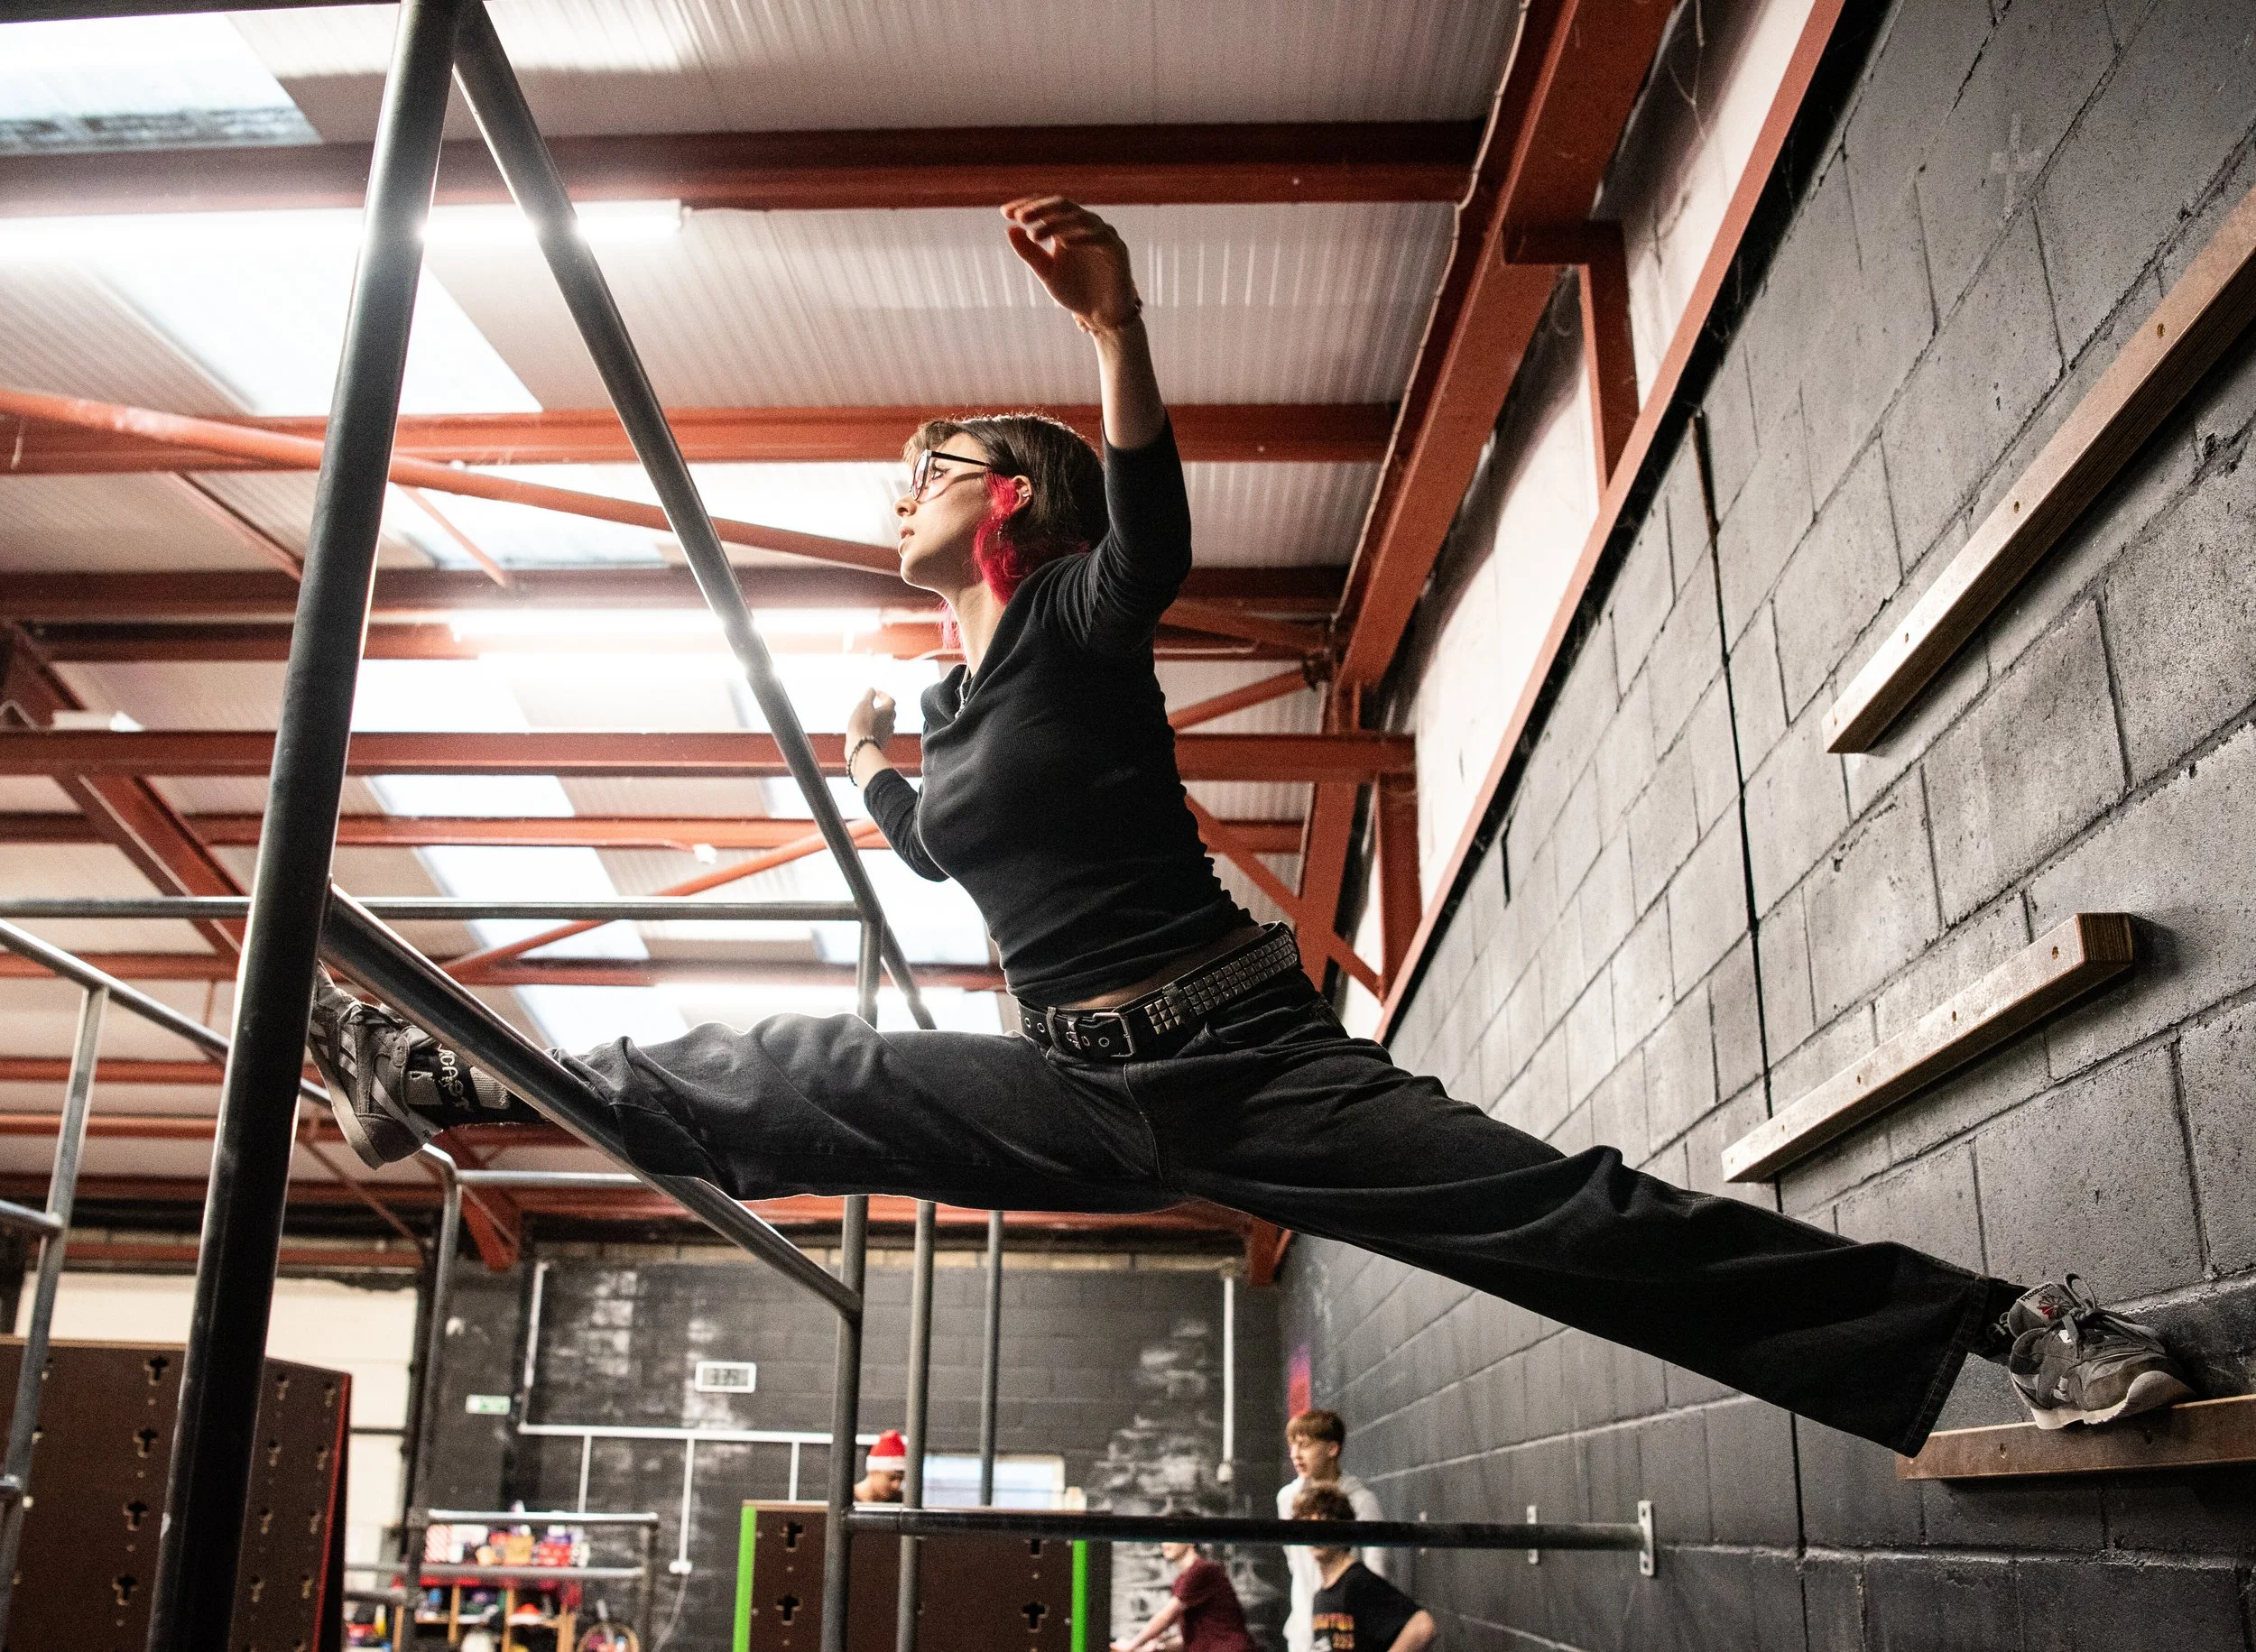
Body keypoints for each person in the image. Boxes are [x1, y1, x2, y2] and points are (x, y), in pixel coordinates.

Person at [305, 196, 2193, 1475]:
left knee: (1570, 1225)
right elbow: (960, 860)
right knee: (798, 1067)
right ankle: (440, 1076)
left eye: (926, 467)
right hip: (1070, 1077)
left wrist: (1119, 327)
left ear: (1010, 504)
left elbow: (1153, 534)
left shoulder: (1071, 615)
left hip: (1247, 1061)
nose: (897, 486)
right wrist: (884, 766)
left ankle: (2004, 1328)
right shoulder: (962, 721)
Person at [1276, 1411, 1382, 1652]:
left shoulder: (1362, 1502)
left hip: (1348, 1630)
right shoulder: (1287, 1499)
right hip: (1303, 1630)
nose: (1295, 1455)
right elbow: (1295, 1562)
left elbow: (1377, 1570)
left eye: (1305, 1446)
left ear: (1332, 1449)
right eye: (1292, 1445)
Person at [1293, 1487, 1432, 1652]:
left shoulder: (1357, 1582)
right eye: (1308, 1523)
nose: (1316, 1534)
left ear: (1342, 1528)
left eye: (1324, 1522)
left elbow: (1422, 1626)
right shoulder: (1321, 1596)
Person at [1110, 1539, 1256, 1652]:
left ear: (1191, 1539)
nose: (1164, 1544)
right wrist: (1160, 1646)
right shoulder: (1182, 1579)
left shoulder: (1202, 1570)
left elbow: (1166, 1617)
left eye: (1170, 1537)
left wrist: (1131, 1646)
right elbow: (1192, 1638)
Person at [854, 1429, 907, 1504]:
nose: (897, 1485)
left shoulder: (901, 1502)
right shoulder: (845, 1499)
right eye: (891, 1478)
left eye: (901, 1479)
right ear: (873, 1472)